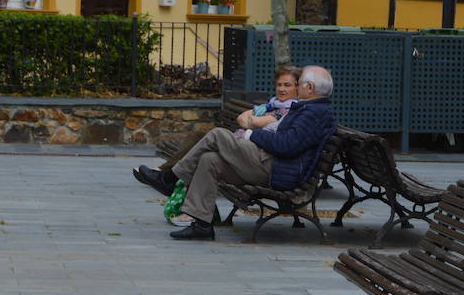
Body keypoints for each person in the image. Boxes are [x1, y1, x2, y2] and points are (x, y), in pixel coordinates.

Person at [133, 65, 337, 241]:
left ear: (309, 88)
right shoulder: (310, 109)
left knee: (217, 135)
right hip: (270, 161)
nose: (298, 86)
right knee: (209, 159)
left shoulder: (314, 113)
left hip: (276, 168)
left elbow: (286, 145)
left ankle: (169, 178)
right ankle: (201, 225)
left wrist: (252, 134)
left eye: (299, 83)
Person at [141, 66, 301, 181]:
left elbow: (255, 120)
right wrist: (252, 120)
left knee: (213, 137)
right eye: (279, 85)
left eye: (287, 85)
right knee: (199, 135)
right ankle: (166, 172)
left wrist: (252, 120)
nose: (281, 89)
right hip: (239, 141)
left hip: (249, 150)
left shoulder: (288, 110)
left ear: (297, 88)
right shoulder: (272, 105)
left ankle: (168, 176)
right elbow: (242, 118)